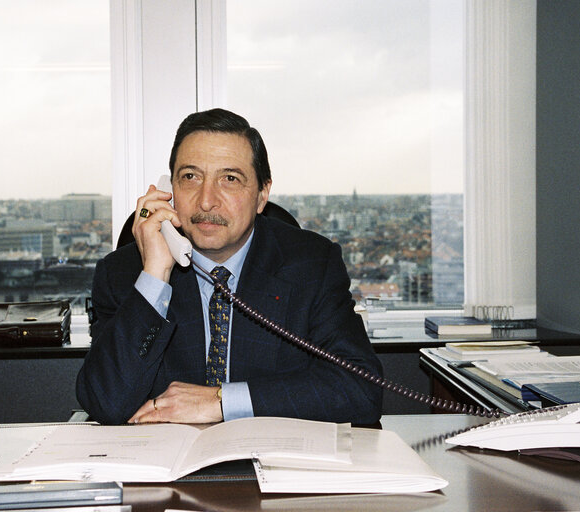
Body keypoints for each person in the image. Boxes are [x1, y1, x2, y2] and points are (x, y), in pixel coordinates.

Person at [76, 108, 383, 425]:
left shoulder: (311, 265)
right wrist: (155, 275)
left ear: (262, 195)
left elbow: (361, 391)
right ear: (170, 190)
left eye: (230, 179)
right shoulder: (123, 273)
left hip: (272, 464)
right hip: (165, 470)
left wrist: (222, 401)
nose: (206, 200)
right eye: (190, 177)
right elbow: (104, 403)